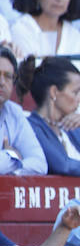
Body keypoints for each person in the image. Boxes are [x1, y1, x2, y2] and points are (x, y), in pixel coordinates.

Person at [0, 47, 47, 175]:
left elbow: (40, 164)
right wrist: (14, 156)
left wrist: (12, 171)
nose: (2, 82)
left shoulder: (14, 112)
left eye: (8, 76)